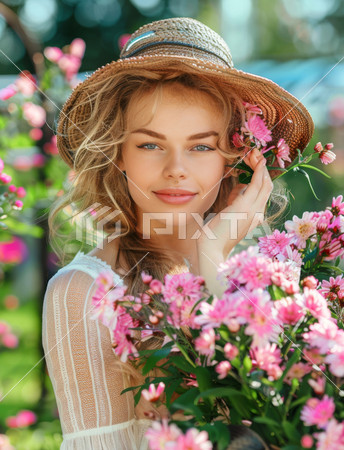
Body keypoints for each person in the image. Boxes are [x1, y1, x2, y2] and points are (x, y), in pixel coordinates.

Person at [42, 17, 314, 449]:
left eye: (201, 146)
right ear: (118, 154)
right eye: (149, 144)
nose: (176, 169)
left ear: (237, 158)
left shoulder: (271, 280)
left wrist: (212, 256)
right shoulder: (83, 294)